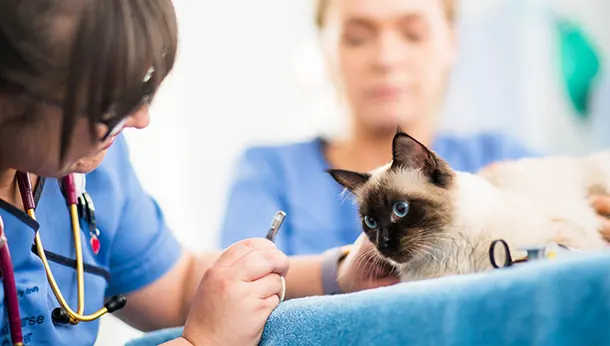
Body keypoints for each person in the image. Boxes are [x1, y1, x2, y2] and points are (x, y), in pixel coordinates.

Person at [0, 1, 397, 345]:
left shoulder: (96, 170)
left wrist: (339, 273)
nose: (141, 119)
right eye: (107, 101)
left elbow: (177, 289)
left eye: (139, 88)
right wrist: (202, 342)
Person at [219, 0, 610, 255]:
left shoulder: (502, 154)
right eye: (357, 38)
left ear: (450, 43)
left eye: (413, 34)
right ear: (325, 49)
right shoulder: (270, 172)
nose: (387, 58)